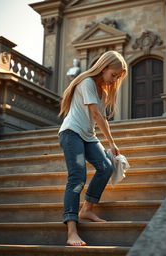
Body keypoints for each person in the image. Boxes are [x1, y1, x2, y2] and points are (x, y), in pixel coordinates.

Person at [58, 51, 128, 246]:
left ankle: (87, 209)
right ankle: (72, 230)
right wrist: (111, 143)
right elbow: (96, 114)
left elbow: (101, 118)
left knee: (106, 167)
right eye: (113, 75)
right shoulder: (87, 82)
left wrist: (111, 144)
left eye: (117, 77)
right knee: (77, 177)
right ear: (103, 67)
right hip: (71, 133)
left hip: (88, 136)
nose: (114, 80)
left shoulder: (102, 91)